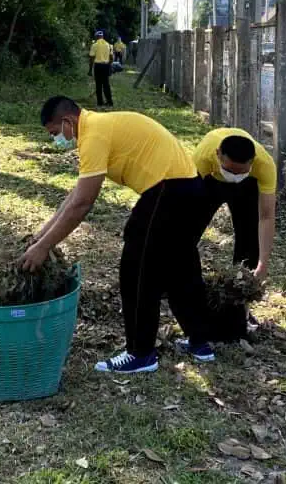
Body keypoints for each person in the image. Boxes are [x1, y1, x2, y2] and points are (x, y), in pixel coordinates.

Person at [23, 96, 215, 374]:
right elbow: (75, 194)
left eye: (55, 133)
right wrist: (41, 237)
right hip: (189, 187)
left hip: (168, 191)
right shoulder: (98, 126)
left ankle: (140, 354)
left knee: (137, 269)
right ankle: (200, 342)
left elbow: (83, 203)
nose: (57, 140)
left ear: (68, 121)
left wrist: (44, 248)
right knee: (180, 268)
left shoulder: (93, 134)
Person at [192, 128, 277, 329]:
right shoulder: (202, 157)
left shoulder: (264, 166)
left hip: (248, 188)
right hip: (211, 180)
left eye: (241, 171)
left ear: (252, 162)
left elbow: (266, 217)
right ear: (218, 155)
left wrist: (263, 264)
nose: (234, 176)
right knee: (190, 227)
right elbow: (185, 206)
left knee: (249, 239)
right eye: (230, 170)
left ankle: (240, 301)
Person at [88, 30, 114, 108]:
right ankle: (109, 102)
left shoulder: (94, 45)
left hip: (98, 66)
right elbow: (112, 58)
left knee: (98, 84)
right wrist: (109, 66)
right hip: (106, 66)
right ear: (102, 37)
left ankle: (100, 103)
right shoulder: (109, 45)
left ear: (96, 37)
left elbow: (91, 58)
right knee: (106, 84)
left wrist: (90, 70)